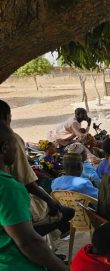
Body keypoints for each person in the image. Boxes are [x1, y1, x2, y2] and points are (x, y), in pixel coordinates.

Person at [0, 122, 80, 271]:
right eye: (16, 145)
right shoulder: (8, 187)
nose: (19, 151)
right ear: (4, 147)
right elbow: (28, 241)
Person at [0, 100, 75, 238]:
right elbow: (26, 180)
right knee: (66, 213)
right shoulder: (11, 139)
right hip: (16, 210)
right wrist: (50, 201)